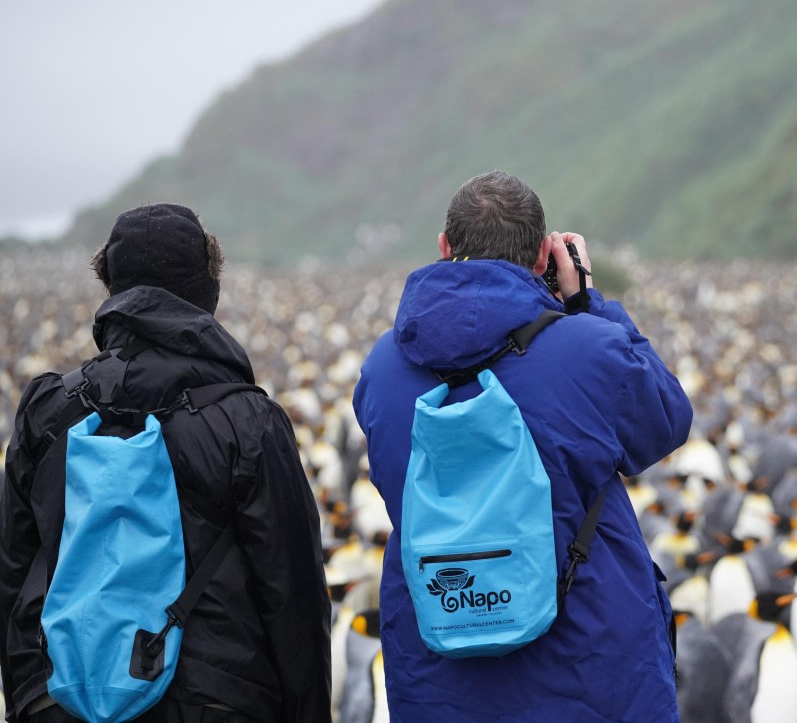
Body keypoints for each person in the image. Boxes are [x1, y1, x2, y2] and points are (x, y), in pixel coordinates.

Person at [352, 171, 692, 721]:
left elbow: (391, 479)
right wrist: (585, 301)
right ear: (543, 255)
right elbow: (665, 422)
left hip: (440, 658)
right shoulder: (590, 348)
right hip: (589, 660)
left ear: (444, 248)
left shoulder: (385, 367)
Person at [0, 204, 331, 722]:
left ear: (111, 287)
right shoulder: (249, 421)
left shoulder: (49, 411)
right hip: (216, 701)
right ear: (207, 291)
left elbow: (14, 576)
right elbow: (294, 597)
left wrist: (27, 696)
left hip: (67, 693)